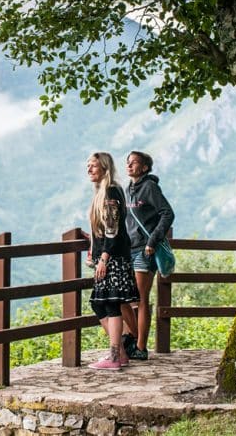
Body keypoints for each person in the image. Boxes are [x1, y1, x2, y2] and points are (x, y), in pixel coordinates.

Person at [85, 152, 140, 371]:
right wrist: (92, 243)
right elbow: (106, 228)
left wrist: (104, 258)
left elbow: (112, 228)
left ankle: (115, 356)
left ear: (105, 168)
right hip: (110, 256)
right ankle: (120, 353)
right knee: (100, 303)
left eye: (93, 166)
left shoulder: (110, 191)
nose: (89, 170)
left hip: (113, 258)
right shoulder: (104, 191)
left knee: (110, 304)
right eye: (88, 166)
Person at [121, 151, 175, 360]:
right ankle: (133, 339)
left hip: (145, 250)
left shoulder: (150, 187)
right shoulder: (127, 189)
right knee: (126, 298)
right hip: (129, 249)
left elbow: (168, 213)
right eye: (127, 162)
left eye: (134, 162)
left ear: (144, 167)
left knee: (141, 298)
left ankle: (141, 348)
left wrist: (152, 241)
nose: (129, 165)